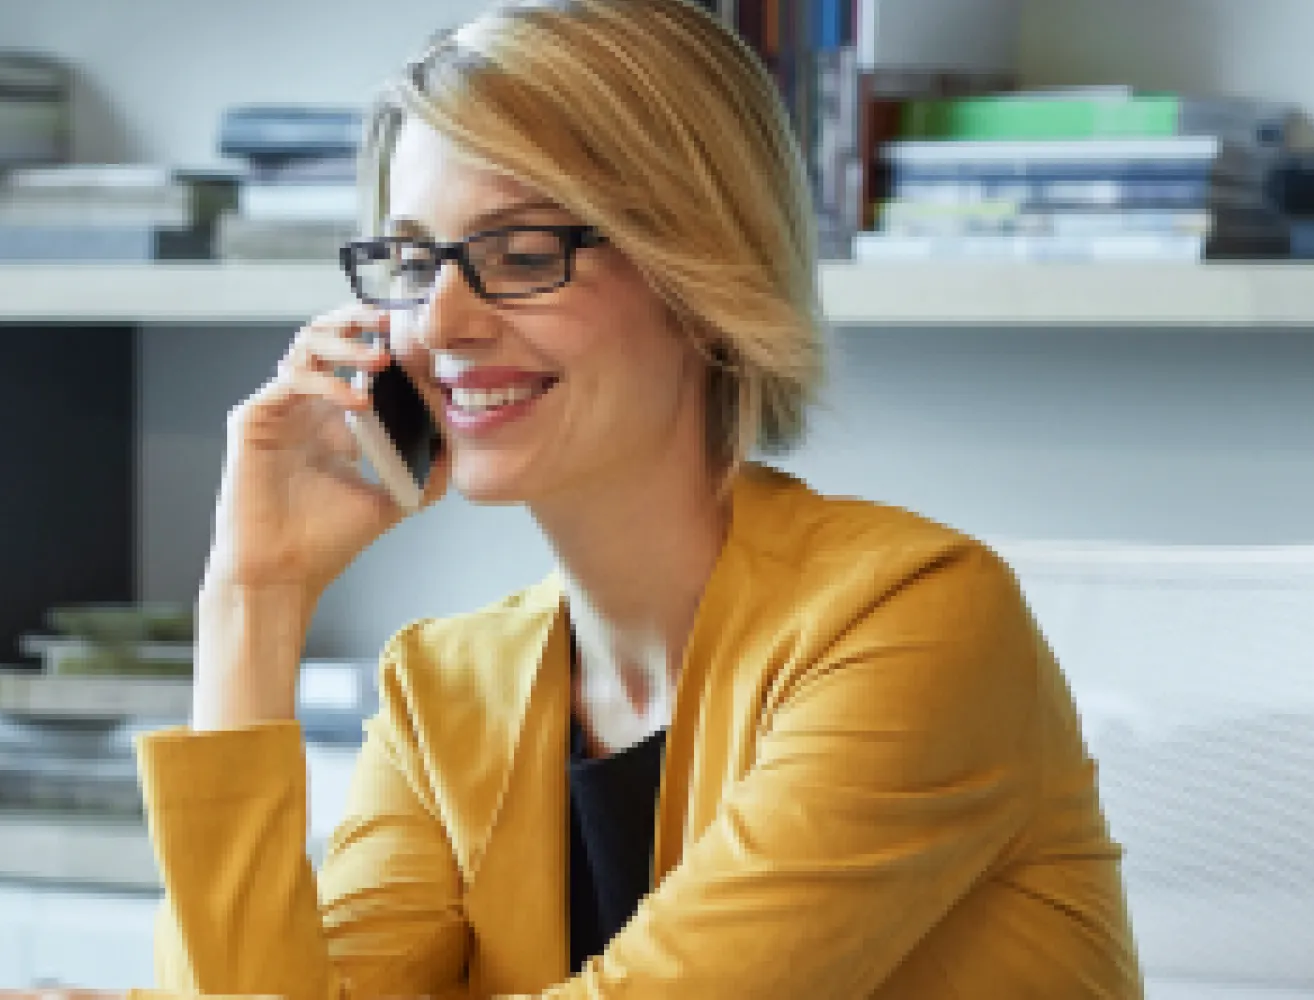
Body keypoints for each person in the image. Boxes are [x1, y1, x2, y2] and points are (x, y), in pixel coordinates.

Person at [130, 0, 1145, 996]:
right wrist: (252, 596)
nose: (439, 324)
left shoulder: (915, 623)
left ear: (699, 270)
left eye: (521, 253)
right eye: (411, 259)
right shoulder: (443, 693)